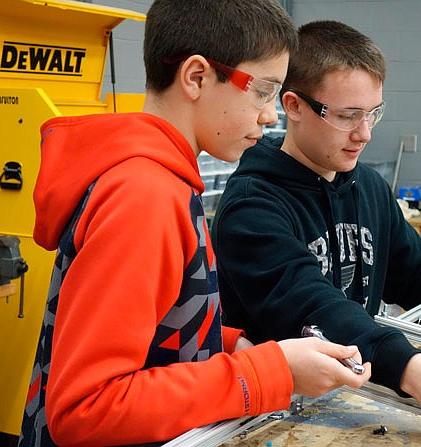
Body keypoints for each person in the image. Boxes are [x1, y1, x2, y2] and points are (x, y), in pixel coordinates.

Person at [18, 3, 372, 446]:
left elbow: (152, 330)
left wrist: (230, 347)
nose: (269, 115)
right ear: (197, 77)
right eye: (262, 91)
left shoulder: (165, 180)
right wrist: (266, 373)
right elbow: (86, 408)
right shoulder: (143, 196)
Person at [211, 20, 421, 447]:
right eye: (347, 116)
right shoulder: (253, 205)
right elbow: (316, 310)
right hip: (264, 419)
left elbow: (417, 272)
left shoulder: (368, 186)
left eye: (374, 112)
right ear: (294, 106)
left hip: (345, 395)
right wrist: (418, 373)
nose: (365, 133)